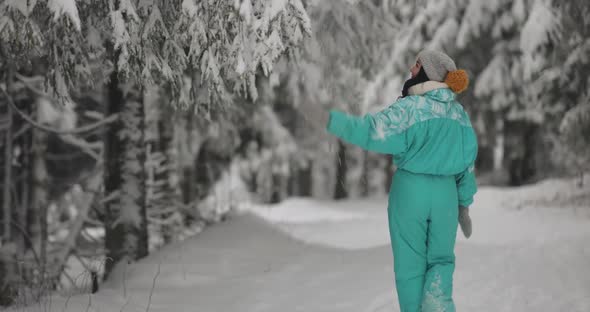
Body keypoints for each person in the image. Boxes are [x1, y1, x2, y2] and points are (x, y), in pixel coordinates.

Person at [310, 50, 478, 311]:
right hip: (446, 194)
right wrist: (463, 204)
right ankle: (438, 305)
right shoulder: (459, 116)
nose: (411, 69)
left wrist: (334, 121)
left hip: (411, 192)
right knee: (441, 261)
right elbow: (467, 166)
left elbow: (371, 132)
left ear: (428, 73)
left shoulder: (410, 109)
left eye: (417, 64)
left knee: (410, 266)